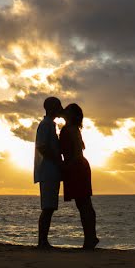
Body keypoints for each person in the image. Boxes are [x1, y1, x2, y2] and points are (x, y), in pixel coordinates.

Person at [59, 103, 98, 250]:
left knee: (84, 204)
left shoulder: (70, 130)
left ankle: (90, 238)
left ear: (72, 115)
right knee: (83, 204)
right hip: (76, 166)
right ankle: (90, 237)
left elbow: (76, 153)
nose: (64, 111)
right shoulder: (71, 129)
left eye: (67, 110)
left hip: (77, 167)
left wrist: (65, 168)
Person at [34, 96, 63, 249]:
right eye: (58, 106)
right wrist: (57, 160)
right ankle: (42, 241)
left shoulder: (51, 125)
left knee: (49, 207)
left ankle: (43, 241)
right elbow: (42, 146)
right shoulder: (45, 125)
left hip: (52, 171)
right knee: (47, 207)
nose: (60, 109)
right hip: (48, 171)